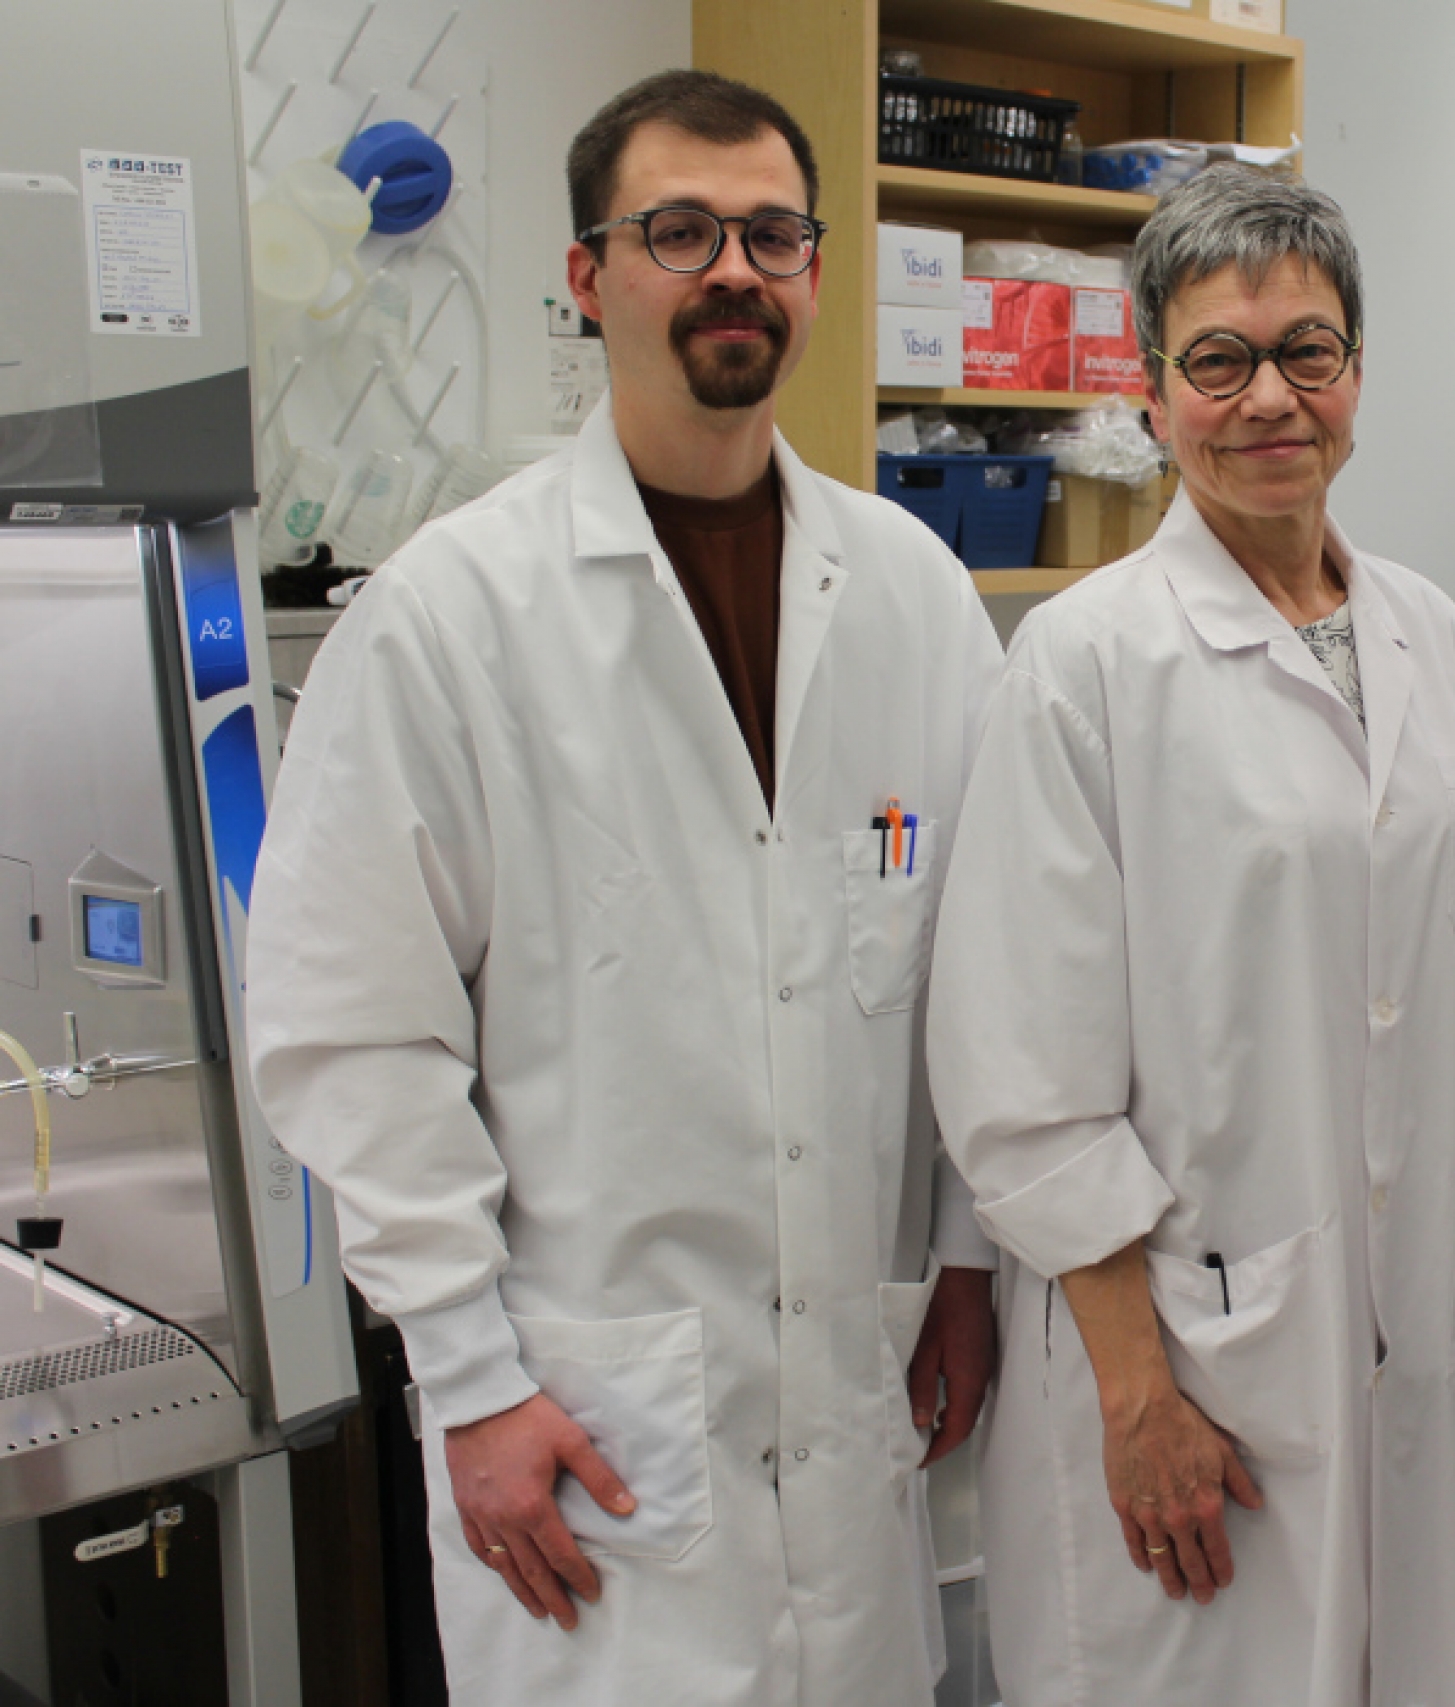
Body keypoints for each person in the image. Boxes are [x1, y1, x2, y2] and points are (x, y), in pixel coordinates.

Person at [246, 69, 1004, 1705]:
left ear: (812, 274)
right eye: (679, 232)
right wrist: (465, 1378)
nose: (733, 269)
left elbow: (973, 975)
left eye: (771, 234)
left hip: (850, 1386)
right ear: (590, 280)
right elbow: (348, 1037)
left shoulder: (917, 597)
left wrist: (963, 1259)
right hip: (584, 1427)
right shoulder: (454, 617)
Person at [927, 165, 1455, 1706]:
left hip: (1401, 1338)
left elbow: (1454, 979)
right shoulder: (1084, 661)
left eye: (1306, 351)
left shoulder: (1426, 632)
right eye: (1218, 360)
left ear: (1358, 372)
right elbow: (1019, 1074)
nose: (1270, 398)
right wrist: (1138, 1394)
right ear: (1152, 391)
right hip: (1184, 1343)